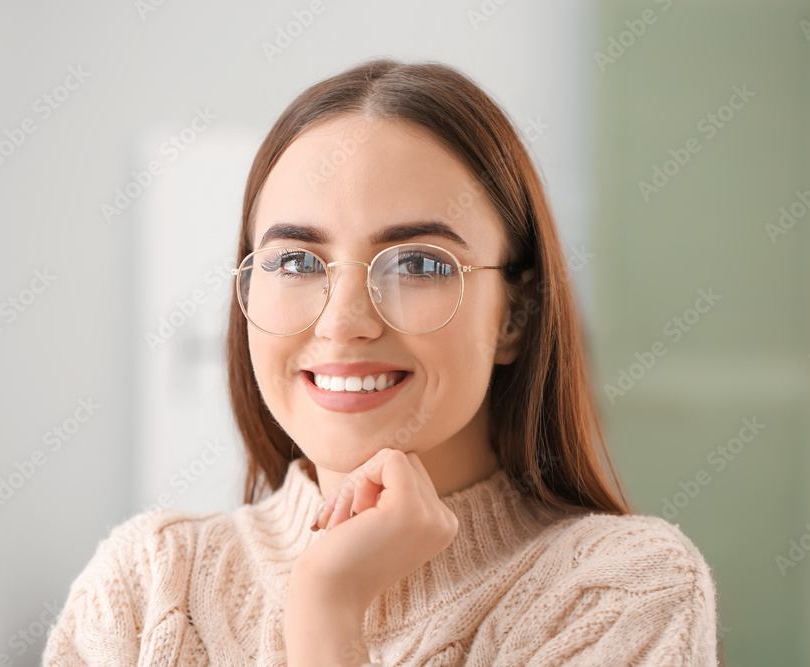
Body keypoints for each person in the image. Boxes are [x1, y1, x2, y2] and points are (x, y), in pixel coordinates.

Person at [43, 58, 722, 666]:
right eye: (297, 261)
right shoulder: (144, 586)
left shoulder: (623, 592)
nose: (344, 321)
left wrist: (327, 612)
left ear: (514, 313)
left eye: (420, 264)